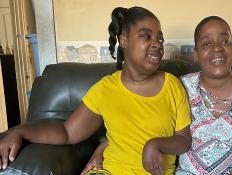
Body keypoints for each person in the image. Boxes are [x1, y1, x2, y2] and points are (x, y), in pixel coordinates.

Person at [0, 6, 192, 175]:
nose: (157, 44)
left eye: (160, 38)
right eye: (146, 36)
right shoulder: (105, 89)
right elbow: (67, 132)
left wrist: (156, 144)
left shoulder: (172, 85)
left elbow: (184, 140)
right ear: (124, 39)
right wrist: (20, 131)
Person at [83, 15, 232, 175]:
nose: (217, 48)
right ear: (196, 53)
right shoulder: (181, 86)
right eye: (207, 43)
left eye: (225, 40)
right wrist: (101, 148)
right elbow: (140, 125)